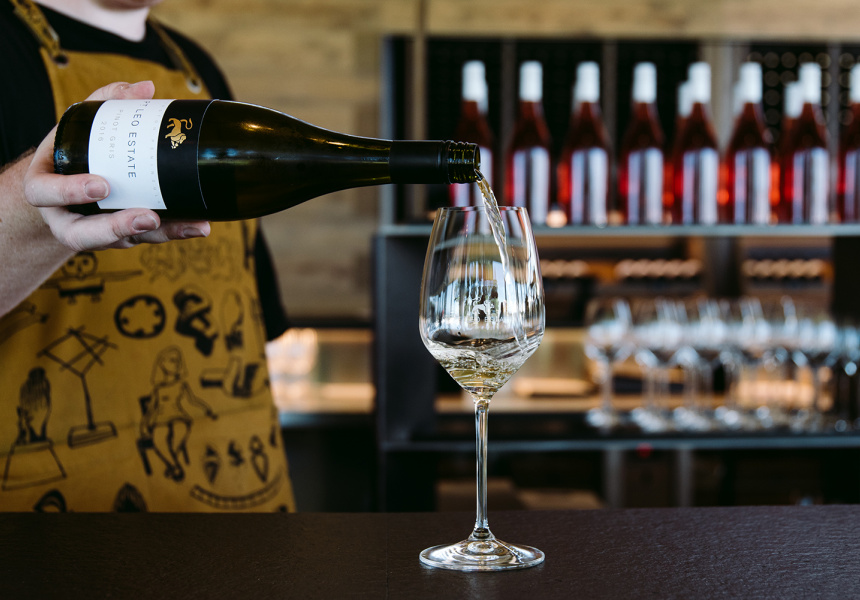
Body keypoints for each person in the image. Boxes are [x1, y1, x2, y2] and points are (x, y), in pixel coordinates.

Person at [0, 0, 296, 511]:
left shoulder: (198, 70)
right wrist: (34, 204)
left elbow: (246, 313)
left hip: (244, 506)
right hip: (61, 527)